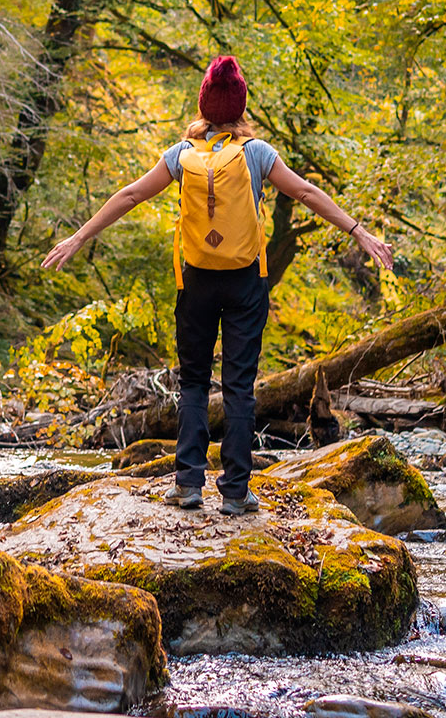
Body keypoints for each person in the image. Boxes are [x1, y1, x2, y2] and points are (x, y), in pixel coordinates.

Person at [40, 55, 394, 515]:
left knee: (192, 383)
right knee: (238, 387)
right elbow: (306, 192)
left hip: (196, 281)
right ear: (241, 108)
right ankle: (234, 492)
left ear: (204, 106)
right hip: (246, 281)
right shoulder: (257, 153)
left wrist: (79, 235)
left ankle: (187, 484)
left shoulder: (182, 155)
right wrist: (358, 231)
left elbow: (130, 194)